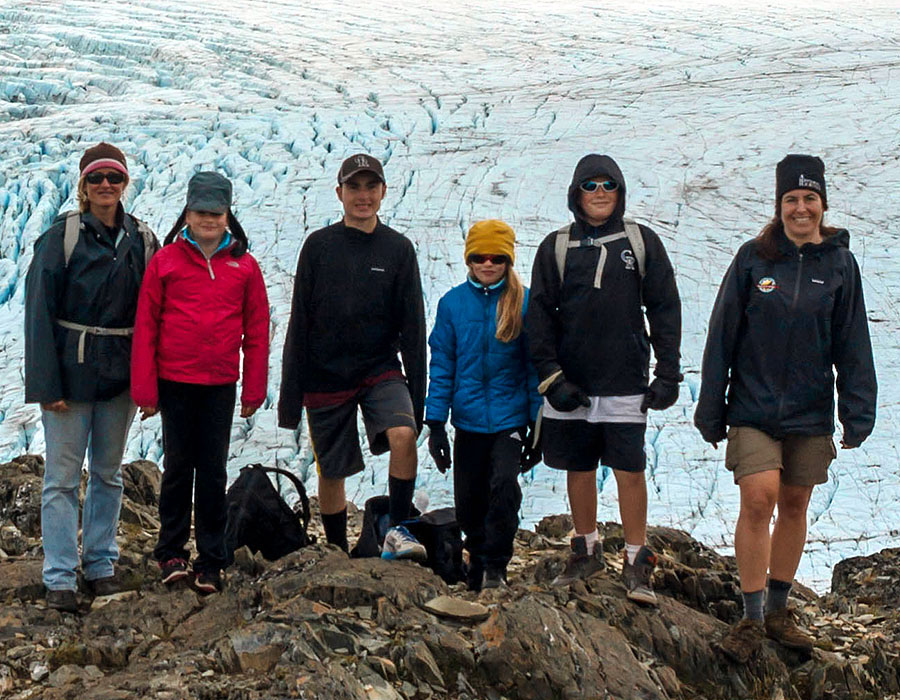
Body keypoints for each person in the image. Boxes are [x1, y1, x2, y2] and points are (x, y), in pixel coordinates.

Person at [695, 154, 876, 663]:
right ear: (779, 206)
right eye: (791, 199)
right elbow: (722, 335)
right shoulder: (754, 259)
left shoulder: (839, 265)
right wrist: (712, 406)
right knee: (760, 497)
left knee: (794, 504)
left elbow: (852, 342)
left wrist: (858, 410)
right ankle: (751, 619)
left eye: (809, 199)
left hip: (810, 410)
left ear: (822, 204)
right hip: (752, 407)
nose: (801, 208)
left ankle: (777, 610)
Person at [526, 154, 682, 605]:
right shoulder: (557, 246)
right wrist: (551, 377)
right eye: (590, 185)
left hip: (624, 379)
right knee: (580, 466)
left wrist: (668, 372)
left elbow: (665, 307)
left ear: (620, 192)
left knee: (629, 469)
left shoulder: (640, 242)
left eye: (608, 185)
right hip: (571, 382)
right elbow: (539, 316)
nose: (599, 193)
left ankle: (637, 559)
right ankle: (586, 547)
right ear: (576, 193)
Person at [24, 142, 159, 612]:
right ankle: (60, 575)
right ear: (84, 184)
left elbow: (155, 315)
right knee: (61, 479)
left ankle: (101, 564)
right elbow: (39, 311)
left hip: (119, 374)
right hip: (72, 374)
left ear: (125, 184)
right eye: (97, 178)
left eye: (114, 178)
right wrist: (46, 385)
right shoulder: (62, 237)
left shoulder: (141, 239)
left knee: (107, 474)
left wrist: (149, 381)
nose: (106, 185)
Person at [278, 154, 427, 559]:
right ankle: (336, 549)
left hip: (380, 369)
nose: (363, 196)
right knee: (333, 470)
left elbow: (413, 327)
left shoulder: (398, 250)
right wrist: (290, 401)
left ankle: (398, 529)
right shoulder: (319, 247)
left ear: (382, 192)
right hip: (325, 375)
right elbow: (300, 323)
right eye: (355, 187)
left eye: (371, 187)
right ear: (340, 192)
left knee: (403, 436)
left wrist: (419, 399)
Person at [131, 171, 269, 595]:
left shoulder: (243, 266)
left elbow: (257, 328)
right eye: (200, 212)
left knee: (211, 471)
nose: (208, 220)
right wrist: (145, 391)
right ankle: (171, 552)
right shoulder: (166, 262)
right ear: (187, 214)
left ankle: (212, 558)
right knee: (177, 469)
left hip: (219, 384)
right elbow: (146, 327)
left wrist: (254, 389)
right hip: (175, 381)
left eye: (215, 212)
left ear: (227, 215)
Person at [425, 220, 541, 591]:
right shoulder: (453, 304)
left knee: (504, 487)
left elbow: (535, 366)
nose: (488, 265)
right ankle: (476, 563)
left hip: (509, 420)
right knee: (470, 499)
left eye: (497, 258)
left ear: (508, 260)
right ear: (469, 260)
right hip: (469, 421)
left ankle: (496, 565)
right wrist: (436, 423)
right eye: (479, 257)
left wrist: (539, 425)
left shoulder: (524, 302)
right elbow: (442, 365)